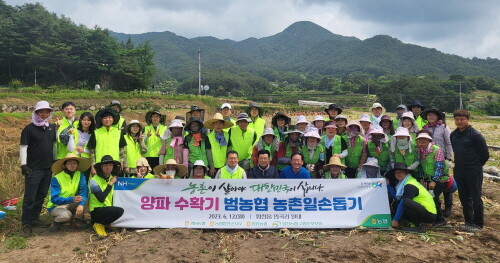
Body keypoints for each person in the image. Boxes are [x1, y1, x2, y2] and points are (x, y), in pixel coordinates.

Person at [20, 101, 57, 237]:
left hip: (47, 168)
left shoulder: (51, 128)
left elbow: (53, 146)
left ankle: (35, 219)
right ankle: (26, 224)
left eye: (47, 111)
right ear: (36, 113)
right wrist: (24, 165)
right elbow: (23, 147)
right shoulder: (29, 129)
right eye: (41, 112)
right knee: (30, 197)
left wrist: (55, 161)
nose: (44, 114)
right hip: (33, 169)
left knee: (41, 195)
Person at [450, 110, 489, 232]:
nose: (459, 122)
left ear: (468, 120)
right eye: (457, 119)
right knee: (464, 196)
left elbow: (485, 154)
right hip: (459, 170)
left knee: (475, 196)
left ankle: (478, 224)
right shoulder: (453, 135)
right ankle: (469, 221)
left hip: (473, 170)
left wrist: (476, 165)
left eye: (462, 119)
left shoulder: (475, 135)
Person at [421, 107, 454, 217]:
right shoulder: (425, 128)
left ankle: (448, 206)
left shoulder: (443, 127)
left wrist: (449, 157)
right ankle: (437, 205)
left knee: (444, 181)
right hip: (429, 157)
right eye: (429, 115)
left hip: (442, 158)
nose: (431, 117)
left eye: (433, 115)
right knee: (432, 182)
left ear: (437, 117)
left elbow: (449, 142)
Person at [47, 153, 90, 232]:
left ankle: (76, 220)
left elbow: (84, 190)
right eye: (69, 163)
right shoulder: (57, 178)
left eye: (75, 163)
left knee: (84, 198)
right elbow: (54, 199)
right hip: (56, 205)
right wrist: (71, 199)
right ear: (64, 165)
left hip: (70, 202)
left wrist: (81, 204)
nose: (72, 165)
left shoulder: (80, 175)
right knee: (66, 215)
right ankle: (56, 222)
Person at [388, 163, 437, 232]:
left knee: (405, 201)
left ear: (406, 173)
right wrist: (388, 186)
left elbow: (403, 202)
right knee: (396, 203)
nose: (398, 174)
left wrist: (395, 220)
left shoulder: (410, 184)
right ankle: (409, 222)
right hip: (420, 209)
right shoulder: (403, 183)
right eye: (396, 173)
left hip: (429, 213)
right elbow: (396, 197)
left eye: (401, 172)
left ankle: (417, 226)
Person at [415, 130, 450, 226]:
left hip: (439, 179)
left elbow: (439, 167)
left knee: (433, 198)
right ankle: (433, 217)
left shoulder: (436, 150)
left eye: (425, 139)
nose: (422, 141)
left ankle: (441, 219)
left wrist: (434, 181)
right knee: (428, 198)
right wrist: (422, 178)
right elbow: (421, 166)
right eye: (420, 139)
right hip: (427, 179)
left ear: (429, 140)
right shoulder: (421, 150)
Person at [89, 155, 124, 237]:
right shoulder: (93, 181)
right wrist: (110, 184)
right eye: (105, 165)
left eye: (110, 165)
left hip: (108, 208)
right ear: (101, 167)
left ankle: (105, 224)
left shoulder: (113, 178)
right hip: (96, 210)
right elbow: (101, 198)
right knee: (119, 211)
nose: (108, 167)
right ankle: (98, 224)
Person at [88, 107, 127, 175]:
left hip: (115, 164)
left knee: (114, 183)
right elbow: (92, 152)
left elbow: (122, 150)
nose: (107, 120)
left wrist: (124, 164)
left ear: (113, 119)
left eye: (109, 117)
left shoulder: (118, 132)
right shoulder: (96, 133)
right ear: (101, 120)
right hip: (99, 164)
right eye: (105, 118)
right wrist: (93, 166)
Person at [204, 113, 233, 177]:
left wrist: (228, 163)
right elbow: (208, 153)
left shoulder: (227, 135)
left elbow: (229, 150)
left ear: (223, 125)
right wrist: (211, 166)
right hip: (213, 167)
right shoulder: (209, 137)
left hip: (225, 165)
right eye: (216, 123)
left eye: (220, 123)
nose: (218, 125)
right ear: (213, 125)